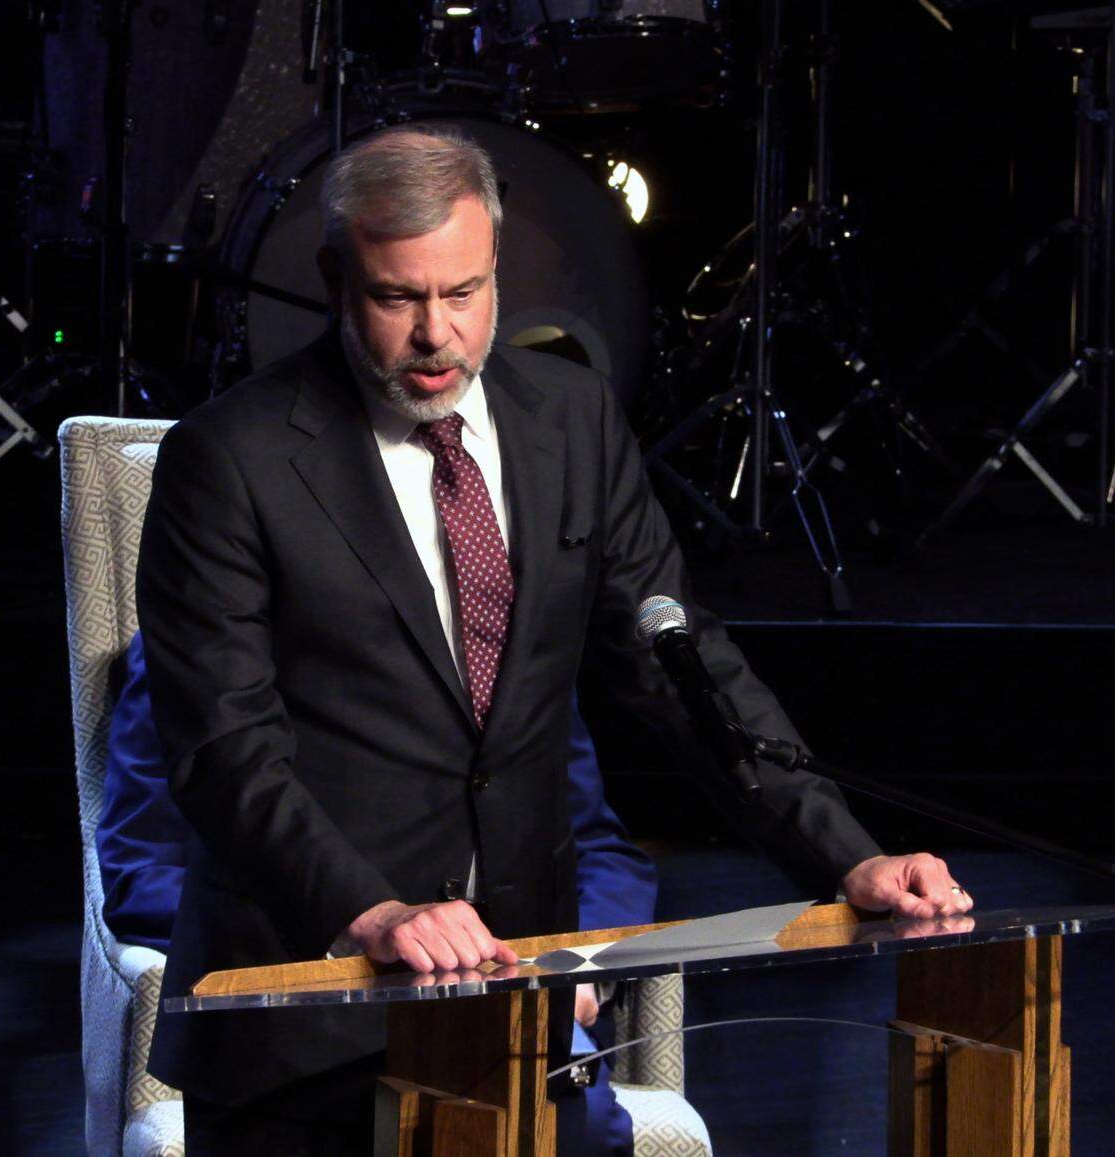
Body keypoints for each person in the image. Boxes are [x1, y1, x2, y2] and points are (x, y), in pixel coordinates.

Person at [136, 123, 972, 1152]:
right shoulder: (229, 458)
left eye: (464, 292)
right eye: (398, 298)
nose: (436, 334)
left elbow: (679, 668)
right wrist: (376, 911)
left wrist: (849, 859)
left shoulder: (570, 419)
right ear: (334, 279)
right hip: (306, 1026)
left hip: (520, 1017)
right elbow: (225, 753)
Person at [98, 632, 653, 1153]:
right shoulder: (207, 635)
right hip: (321, 1014)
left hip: (516, 1006)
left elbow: (600, 848)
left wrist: (582, 966)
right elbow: (143, 868)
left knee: (584, 1129)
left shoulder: (514, 633)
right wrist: (338, 944)